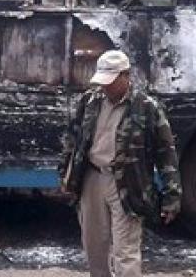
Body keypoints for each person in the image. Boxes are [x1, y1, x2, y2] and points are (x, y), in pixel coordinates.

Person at [60, 50, 181, 277]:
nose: (106, 87)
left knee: (125, 249)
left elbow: (166, 153)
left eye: (111, 81)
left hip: (128, 182)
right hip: (92, 178)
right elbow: (73, 138)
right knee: (94, 245)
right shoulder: (90, 101)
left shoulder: (147, 108)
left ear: (126, 76)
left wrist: (172, 196)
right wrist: (66, 174)